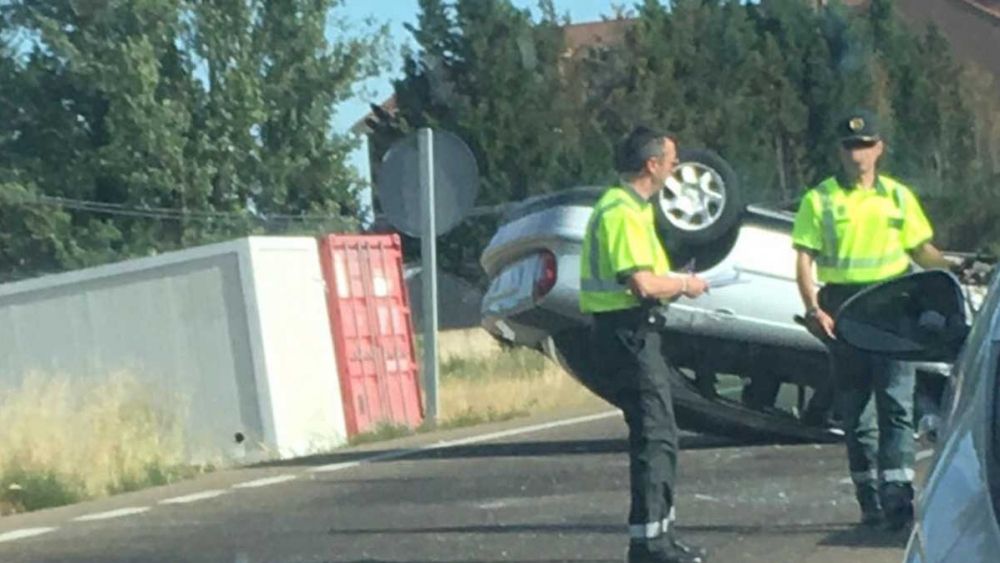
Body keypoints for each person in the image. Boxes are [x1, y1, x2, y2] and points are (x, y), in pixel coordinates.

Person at [792, 109, 955, 531]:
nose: (858, 155)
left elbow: (921, 249)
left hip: (892, 305)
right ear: (839, 151)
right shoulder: (820, 199)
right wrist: (814, 307)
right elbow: (804, 258)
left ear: (879, 148)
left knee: (896, 403)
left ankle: (898, 496)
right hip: (844, 308)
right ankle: (869, 496)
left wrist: (953, 270)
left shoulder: (898, 196)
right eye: (850, 146)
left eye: (866, 146)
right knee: (856, 408)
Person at [580, 126, 710, 563]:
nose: (675, 169)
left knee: (659, 435)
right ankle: (651, 544)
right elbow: (640, 282)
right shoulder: (621, 212)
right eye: (671, 161)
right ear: (651, 164)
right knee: (656, 437)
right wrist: (684, 283)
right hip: (628, 333)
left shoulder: (630, 210)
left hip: (632, 332)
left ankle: (657, 537)